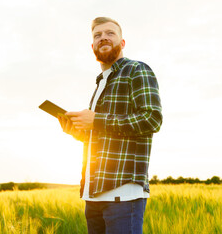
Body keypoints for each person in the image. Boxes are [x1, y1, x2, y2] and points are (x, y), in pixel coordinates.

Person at [58, 17, 162, 234]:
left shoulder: (137, 70)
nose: (103, 37)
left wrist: (96, 120)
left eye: (110, 33)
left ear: (122, 43)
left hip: (123, 195)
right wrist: (76, 131)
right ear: (92, 46)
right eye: (97, 35)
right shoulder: (101, 83)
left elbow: (152, 118)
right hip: (93, 195)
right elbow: (101, 135)